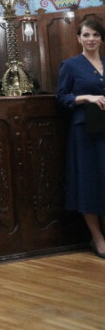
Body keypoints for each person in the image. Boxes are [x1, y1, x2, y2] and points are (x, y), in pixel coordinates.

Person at [56, 17, 105, 259]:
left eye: (95, 35)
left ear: (101, 38)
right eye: (86, 35)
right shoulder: (71, 65)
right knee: (89, 182)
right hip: (84, 131)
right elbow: (61, 97)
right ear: (78, 38)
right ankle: (97, 238)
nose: (91, 39)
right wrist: (86, 98)